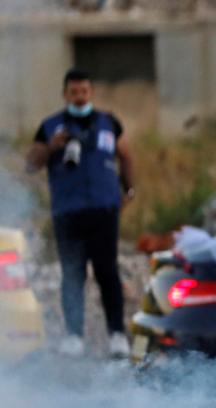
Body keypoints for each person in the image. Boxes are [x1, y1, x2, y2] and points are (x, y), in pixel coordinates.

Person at [26, 68, 135, 359]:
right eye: (74, 92)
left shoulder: (108, 123)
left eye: (84, 91)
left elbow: (126, 155)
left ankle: (117, 335)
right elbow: (31, 163)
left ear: (91, 93)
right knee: (72, 274)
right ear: (65, 94)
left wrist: (129, 191)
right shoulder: (50, 126)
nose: (79, 97)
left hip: (103, 208)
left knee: (107, 272)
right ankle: (74, 335)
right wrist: (52, 147)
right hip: (68, 211)